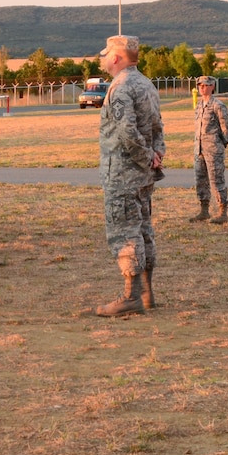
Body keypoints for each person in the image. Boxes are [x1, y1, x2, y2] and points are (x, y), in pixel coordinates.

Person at [94, 34, 164, 316]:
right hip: (144, 175)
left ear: (115, 57)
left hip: (123, 174)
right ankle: (146, 293)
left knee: (126, 232)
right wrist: (156, 156)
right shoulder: (146, 84)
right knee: (143, 229)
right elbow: (158, 128)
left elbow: (127, 134)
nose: (103, 59)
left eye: (105, 54)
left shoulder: (120, 87)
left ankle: (131, 297)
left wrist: (148, 156)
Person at [190, 75, 228, 224]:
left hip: (213, 149)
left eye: (206, 85)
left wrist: (220, 144)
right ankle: (204, 210)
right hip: (199, 149)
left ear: (212, 87)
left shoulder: (218, 105)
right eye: (200, 85)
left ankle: (222, 211)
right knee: (201, 180)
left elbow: (226, 128)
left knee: (216, 180)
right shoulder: (200, 105)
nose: (202, 87)